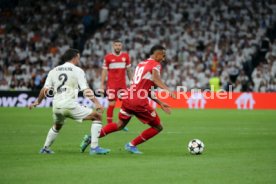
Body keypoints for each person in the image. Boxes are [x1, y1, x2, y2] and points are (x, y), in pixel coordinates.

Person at [80, 45, 176, 154]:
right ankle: (131, 145)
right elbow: (156, 79)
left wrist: (160, 103)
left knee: (119, 125)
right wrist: (168, 90)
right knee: (158, 127)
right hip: (138, 102)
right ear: (157, 54)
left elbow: (144, 89)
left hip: (128, 98)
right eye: (163, 56)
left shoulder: (141, 64)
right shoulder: (156, 65)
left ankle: (91, 138)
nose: (163, 59)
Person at [28, 48, 110, 155]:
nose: (79, 60)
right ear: (75, 57)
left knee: (57, 125)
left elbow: (44, 90)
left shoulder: (54, 70)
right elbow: (86, 90)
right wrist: (97, 103)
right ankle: (94, 148)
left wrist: (38, 102)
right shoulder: (77, 70)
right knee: (97, 116)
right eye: (78, 58)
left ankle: (45, 148)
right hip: (68, 105)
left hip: (56, 106)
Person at [100, 40, 133, 126]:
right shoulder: (108, 57)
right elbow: (104, 71)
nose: (118, 47)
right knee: (112, 104)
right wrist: (102, 84)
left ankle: (121, 123)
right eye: (116, 45)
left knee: (127, 104)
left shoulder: (126, 56)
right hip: (112, 85)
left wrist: (132, 81)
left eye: (119, 45)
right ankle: (109, 125)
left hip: (122, 85)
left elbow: (129, 70)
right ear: (113, 46)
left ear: (121, 47)